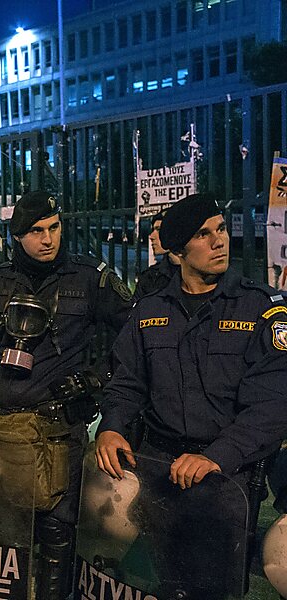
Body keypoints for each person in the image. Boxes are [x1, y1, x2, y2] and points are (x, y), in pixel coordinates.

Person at [0, 190, 133, 599]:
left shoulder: (89, 276)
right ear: (17, 237)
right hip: (7, 425)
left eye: (54, 228)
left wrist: (95, 377)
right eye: (37, 231)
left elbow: (134, 334)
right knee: (5, 528)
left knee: (57, 529)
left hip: (61, 425)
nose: (48, 239)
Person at [95, 192, 287, 596]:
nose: (220, 241)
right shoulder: (149, 310)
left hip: (224, 481)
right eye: (203, 234)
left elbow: (272, 404)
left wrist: (216, 456)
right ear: (177, 251)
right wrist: (111, 427)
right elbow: (126, 382)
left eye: (221, 229)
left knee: (209, 589)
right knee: (150, 582)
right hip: (156, 473)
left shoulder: (260, 308)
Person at [133, 209, 180, 301]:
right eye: (153, 230)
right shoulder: (150, 277)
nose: (151, 236)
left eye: (159, 230)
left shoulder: (197, 272)